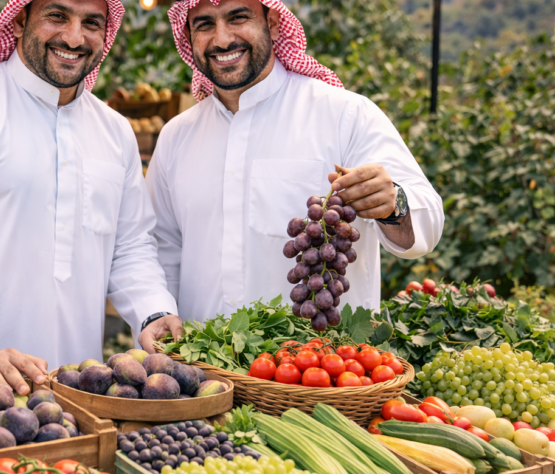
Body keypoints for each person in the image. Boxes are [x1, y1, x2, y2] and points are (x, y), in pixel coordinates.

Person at [0, 0, 183, 396]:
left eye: (91, 22)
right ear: (19, 21)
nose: (74, 37)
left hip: (74, 391)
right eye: (57, 16)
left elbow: (130, 248)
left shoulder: (114, 132)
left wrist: (154, 311)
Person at [145, 0, 444, 328]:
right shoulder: (176, 136)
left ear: (273, 23)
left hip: (317, 370)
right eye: (204, 25)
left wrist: (393, 203)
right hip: (205, 370)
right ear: (188, 37)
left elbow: (426, 231)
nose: (221, 39)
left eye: (238, 18)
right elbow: (160, 251)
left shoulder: (345, 115)